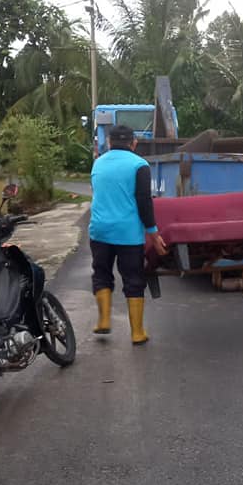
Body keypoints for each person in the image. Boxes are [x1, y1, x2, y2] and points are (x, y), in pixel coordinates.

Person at [89, 124, 167, 344]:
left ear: (109, 142)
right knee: (133, 279)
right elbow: (144, 202)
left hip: (99, 231)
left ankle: (104, 320)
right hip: (128, 234)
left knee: (101, 274)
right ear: (134, 143)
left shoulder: (98, 163)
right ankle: (137, 333)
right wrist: (153, 233)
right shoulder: (139, 165)